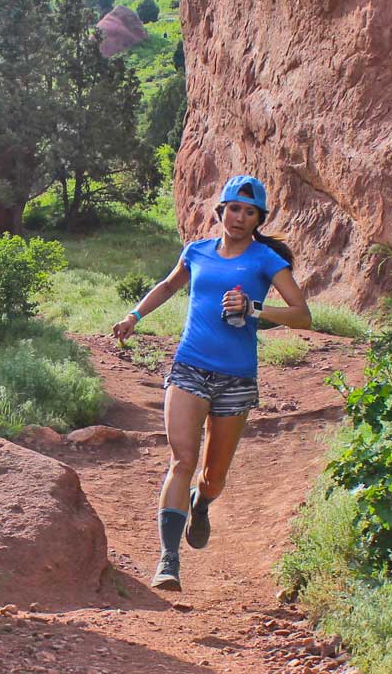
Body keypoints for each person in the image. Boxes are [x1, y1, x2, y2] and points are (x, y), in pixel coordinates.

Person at [112, 174, 311, 591]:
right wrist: (134, 316)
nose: (239, 218)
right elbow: (169, 285)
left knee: (212, 476)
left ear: (258, 219)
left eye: (249, 211)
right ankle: (168, 560)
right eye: (233, 209)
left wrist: (256, 308)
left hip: (236, 378)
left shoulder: (265, 260)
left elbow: (302, 314)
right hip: (189, 366)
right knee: (182, 460)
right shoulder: (196, 251)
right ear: (220, 212)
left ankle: (201, 506)